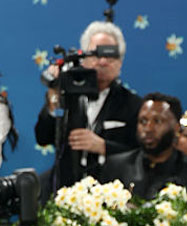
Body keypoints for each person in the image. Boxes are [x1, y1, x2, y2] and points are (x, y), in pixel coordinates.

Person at [34, 20, 141, 191]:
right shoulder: (65, 96)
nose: (103, 61)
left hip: (111, 193)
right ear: (83, 58)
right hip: (65, 191)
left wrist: (103, 146)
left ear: (120, 63)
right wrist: (54, 96)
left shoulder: (134, 105)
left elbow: (140, 154)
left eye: (110, 55)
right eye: (96, 54)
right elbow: (42, 137)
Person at [99, 92, 187, 203]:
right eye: (143, 121)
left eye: (157, 121)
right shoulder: (116, 166)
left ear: (176, 128)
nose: (148, 129)